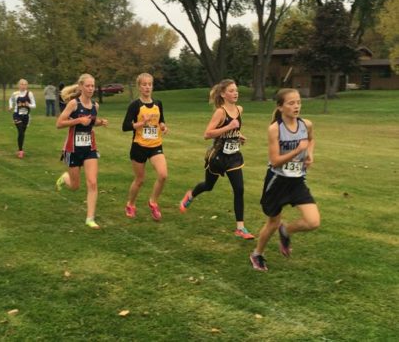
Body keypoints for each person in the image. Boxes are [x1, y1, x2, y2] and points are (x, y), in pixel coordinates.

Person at [249, 88, 320, 272]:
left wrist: (309, 154)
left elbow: (310, 140)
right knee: (272, 222)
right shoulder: (275, 129)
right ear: (280, 107)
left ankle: (286, 230)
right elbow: (275, 161)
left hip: (297, 181)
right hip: (277, 181)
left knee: (313, 222)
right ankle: (257, 254)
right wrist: (297, 150)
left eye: (298, 102)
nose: (296, 106)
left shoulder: (306, 124)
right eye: (291, 103)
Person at [179, 79, 254, 239]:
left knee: (239, 189)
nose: (235, 93)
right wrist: (228, 127)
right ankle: (190, 195)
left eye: (236, 90)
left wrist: (238, 135)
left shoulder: (239, 109)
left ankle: (240, 227)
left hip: (233, 157)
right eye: (232, 91)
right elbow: (207, 134)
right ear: (223, 94)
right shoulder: (220, 112)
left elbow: (233, 130)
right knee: (208, 185)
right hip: (218, 157)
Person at [55, 74, 109, 230]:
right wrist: (78, 120)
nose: (91, 88)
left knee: (92, 182)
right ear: (81, 87)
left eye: (93, 86)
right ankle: (65, 178)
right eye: (88, 86)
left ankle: (90, 218)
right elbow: (59, 123)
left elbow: (90, 123)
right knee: (75, 186)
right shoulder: (73, 104)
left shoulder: (95, 106)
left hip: (89, 148)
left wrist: (100, 122)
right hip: (73, 148)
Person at [122, 73, 168, 221]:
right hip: (139, 146)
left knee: (163, 175)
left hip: (155, 145)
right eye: (144, 84)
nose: (147, 87)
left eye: (150, 84)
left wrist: (163, 126)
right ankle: (130, 204)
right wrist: (142, 123)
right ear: (139, 87)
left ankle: (153, 202)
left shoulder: (158, 103)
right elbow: (125, 126)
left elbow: (161, 120)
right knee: (140, 180)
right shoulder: (135, 105)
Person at [9, 79, 36, 158]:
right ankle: (21, 151)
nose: (23, 86)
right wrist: (10, 106)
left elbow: (34, 105)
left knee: (22, 133)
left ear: (27, 86)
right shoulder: (15, 94)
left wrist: (29, 105)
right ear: (18, 85)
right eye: (21, 84)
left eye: (25, 84)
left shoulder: (29, 94)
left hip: (26, 116)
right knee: (20, 131)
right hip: (17, 115)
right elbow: (10, 100)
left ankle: (19, 149)